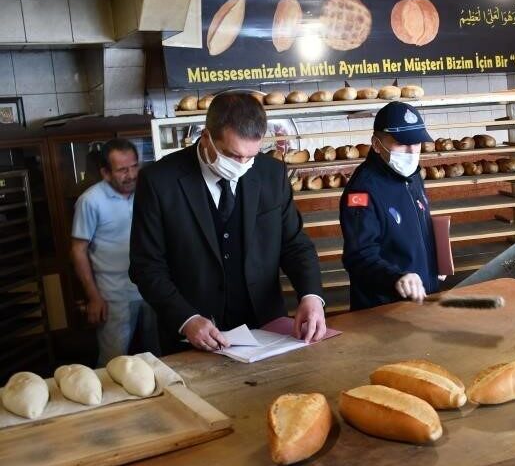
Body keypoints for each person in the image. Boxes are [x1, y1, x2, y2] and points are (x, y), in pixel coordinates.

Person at [129, 92, 325, 355]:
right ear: (207, 137)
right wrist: (186, 319)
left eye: (250, 156)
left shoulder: (271, 173)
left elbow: (294, 245)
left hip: (266, 330)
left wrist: (311, 296)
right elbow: (146, 266)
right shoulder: (159, 182)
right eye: (233, 155)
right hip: (194, 335)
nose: (243, 165)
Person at [340, 101, 439, 311]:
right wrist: (396, 278)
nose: (412, 151)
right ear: (376, 144)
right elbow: (359, 257)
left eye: (417, 143)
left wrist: (434, 263)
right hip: (383, 309)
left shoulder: (412, 176)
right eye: (402, 143)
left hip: (421, 301)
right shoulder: (362, 191)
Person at [70, 139, 157, 364]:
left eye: (134, 166)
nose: (131, 175)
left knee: (158, 356)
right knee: (113, 360)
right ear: (106, 173)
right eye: (122, 170)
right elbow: (78, 250)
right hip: (114, 295)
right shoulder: (90, 201)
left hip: (153, 290)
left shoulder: (147, 192)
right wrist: (93, 297)